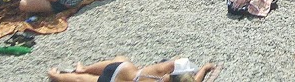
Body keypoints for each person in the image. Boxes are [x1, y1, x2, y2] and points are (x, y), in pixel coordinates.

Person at [48, 57, 218, 82]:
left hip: (124, 68)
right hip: (118, 79)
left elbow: (194, 80)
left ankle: (82, 68)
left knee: (120, 58)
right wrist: (204, 70)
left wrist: (205, 67)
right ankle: (57, 76)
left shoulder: (165, 69)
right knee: (85, 80)